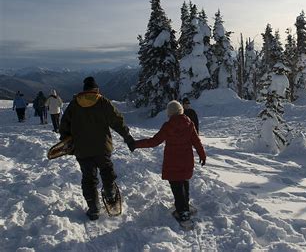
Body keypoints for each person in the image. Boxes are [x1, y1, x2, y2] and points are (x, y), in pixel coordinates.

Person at [59, 76, 135, 220]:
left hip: (82, 149)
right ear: (96, 89)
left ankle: (93, 209)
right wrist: (128, 138)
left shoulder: (74, 104)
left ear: (84, 90)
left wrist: (66, 142)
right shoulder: (102, 102)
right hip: (102, 147)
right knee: (106, 171)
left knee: (89, 178)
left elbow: (64, 125)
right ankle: (110, 194)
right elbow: (117, 121)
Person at [133, 100, 206, 222]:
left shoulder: (168, 126)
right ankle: (185, 206)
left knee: (176, 186)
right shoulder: (190, 124)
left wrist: (135, 144)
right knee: (184, 182)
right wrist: (202, 155)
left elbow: (153, 142)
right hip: (187, 160)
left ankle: (182, 212)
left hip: (173, 162)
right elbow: (197, 142)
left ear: (170, 113)